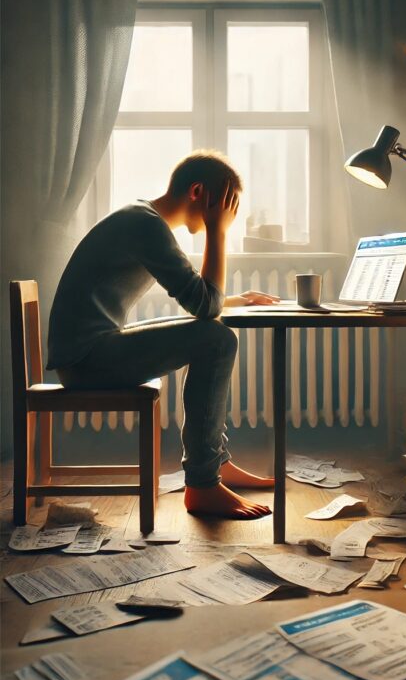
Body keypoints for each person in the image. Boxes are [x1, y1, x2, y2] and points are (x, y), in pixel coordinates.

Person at [47, 149, 280, 520]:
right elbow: (204, 306)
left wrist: (232, 300)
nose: (227, 215)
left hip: (88, 352)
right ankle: (202, 484)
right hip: (86, 362)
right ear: (198, 193)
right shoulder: (146, 225)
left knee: (213, 332)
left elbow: (197, 299)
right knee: (218, 340)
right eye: (225, 204)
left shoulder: (142, 219)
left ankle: (215, 462)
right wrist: (217, 232)